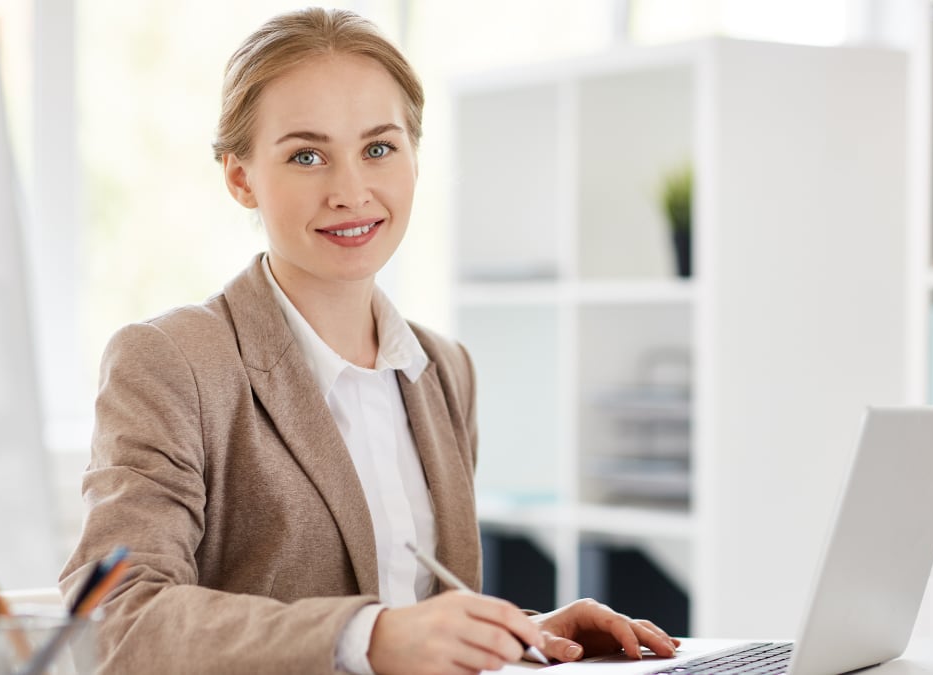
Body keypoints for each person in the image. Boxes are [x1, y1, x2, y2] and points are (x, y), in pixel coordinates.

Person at [60, 8, 681, 674]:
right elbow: (112, 615)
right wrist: (367, 635)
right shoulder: (170, 363)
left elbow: (410, 610)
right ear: (241, 177)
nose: (351, 191)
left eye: (378, 148)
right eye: (306, 155)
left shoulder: (443, 370)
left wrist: (520, 636)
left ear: (414, 154)